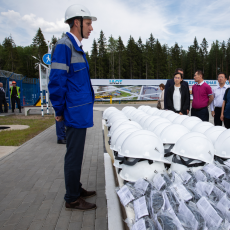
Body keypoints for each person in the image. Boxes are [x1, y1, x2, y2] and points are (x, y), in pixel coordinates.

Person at [48, 4, 97, 211]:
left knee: (76, 154)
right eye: (88, 23)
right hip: (74, 111)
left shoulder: (76, 47)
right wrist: (59, 110)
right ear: (76, 22)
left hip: (80, 111)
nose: (91, 28)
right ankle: (72, 198)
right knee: (74, 155)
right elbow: (56, 81)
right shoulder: (64, 46)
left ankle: (75, 188)